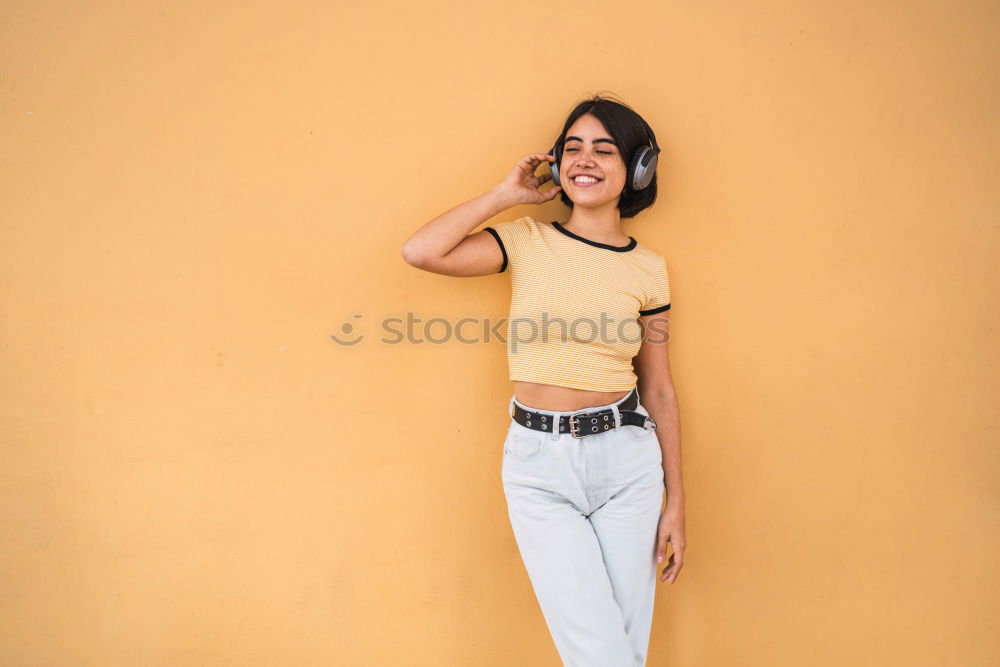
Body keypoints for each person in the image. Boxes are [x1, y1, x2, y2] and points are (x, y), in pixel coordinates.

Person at [401, 93, 685, 667]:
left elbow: (657, 388)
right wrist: (508, 195)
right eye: (572, 148)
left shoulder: (648, 270)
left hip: (629, 464)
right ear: (555, 164)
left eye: (604, 150)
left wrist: (676, 499)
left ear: (637, 169)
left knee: (624, 645)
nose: (585, 159)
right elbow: (421, 251)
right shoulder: (527, 241)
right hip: (538, 466)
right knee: (598, 650)